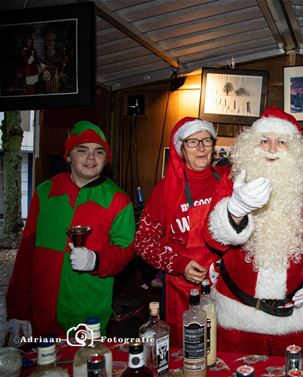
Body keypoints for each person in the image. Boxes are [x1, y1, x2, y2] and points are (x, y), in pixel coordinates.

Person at [204, 106, 303, 357]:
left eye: (281, 141)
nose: (270, 148)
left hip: (295, 322)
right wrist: (236, 209)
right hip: (238, 320)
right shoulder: (231, 181)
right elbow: (212, 238)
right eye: (264, 140)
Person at [6, 120, 136, 339]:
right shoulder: (45, 192)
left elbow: (127, 250)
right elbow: (27, 252)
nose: (91, 158)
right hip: (41, 315)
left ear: (106, 159)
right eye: (82, 150)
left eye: (99, 151)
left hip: (88, 319)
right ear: (68, 156)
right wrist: (17, 309)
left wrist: (96, 260)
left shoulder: (118, 200)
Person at [134, 117, 229, 347]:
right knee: (188, 350)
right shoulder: (164, 191)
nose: (201, 148)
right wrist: (178, 264)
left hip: (225, 288)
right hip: (181, 291)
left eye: (206, 140)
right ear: (181, 149)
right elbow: (143, 242)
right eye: (192, 142)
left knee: (223, 350)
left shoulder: (227, 182)